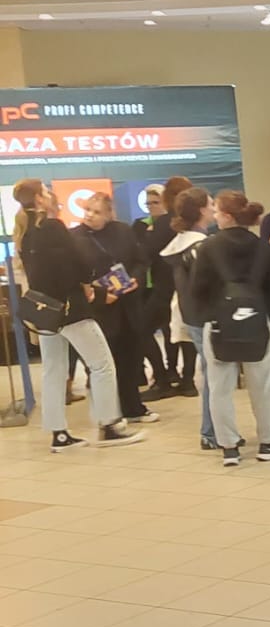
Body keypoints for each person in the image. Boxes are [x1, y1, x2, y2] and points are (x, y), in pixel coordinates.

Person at [12, 179, 144, 450]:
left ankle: (59, 434)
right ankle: (109, 426)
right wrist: (88, 285)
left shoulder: (24, 232)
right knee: (102, 364)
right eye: (45, 191)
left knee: (53, 370)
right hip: (71, 309)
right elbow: (77, 262)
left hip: (45, 312)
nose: (50, 194)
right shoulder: (53, 226)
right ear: (39, 198)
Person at [185, 190, 270, 467]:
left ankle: (229, 446)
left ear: (227, 216)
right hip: (256, 321)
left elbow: (197, 290)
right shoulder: (262, 247)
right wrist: (268, 319)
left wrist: (209, 316)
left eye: (217, 211)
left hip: (218, 323)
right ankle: (268, 442)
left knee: (219, 388)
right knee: (262, 386)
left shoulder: (208, 247)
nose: (214, 216)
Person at [74, 191, 156, 425]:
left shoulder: (123, 231)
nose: (90, 215)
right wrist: (99, 294)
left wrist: (135, 278)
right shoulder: (75, 238)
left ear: (109, 214)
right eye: (88, 210)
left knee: (130, 359)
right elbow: (76, 276)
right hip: (99, 309)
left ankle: (133, 408)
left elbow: (141, 260)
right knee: (102, 363)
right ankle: (109, 413)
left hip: (128, 304)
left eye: (97, 212)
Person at [160, 187, 219, 450]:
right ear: (201, 210)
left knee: (211, 374)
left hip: (192, 315)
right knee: (214, 376)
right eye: (210, 203)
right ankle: (211, 431)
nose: (214, 207)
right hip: (204, 317)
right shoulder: (199, 247)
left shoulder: (183, 243)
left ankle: (212, 430)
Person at [141, 173, 197, 398]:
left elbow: (146, 254)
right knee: (185, 333)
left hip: (164, 288)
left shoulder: (162, 224)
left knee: (143, 329)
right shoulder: (193, 226)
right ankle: (188, 380)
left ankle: (162, 378)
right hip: (188, 289)